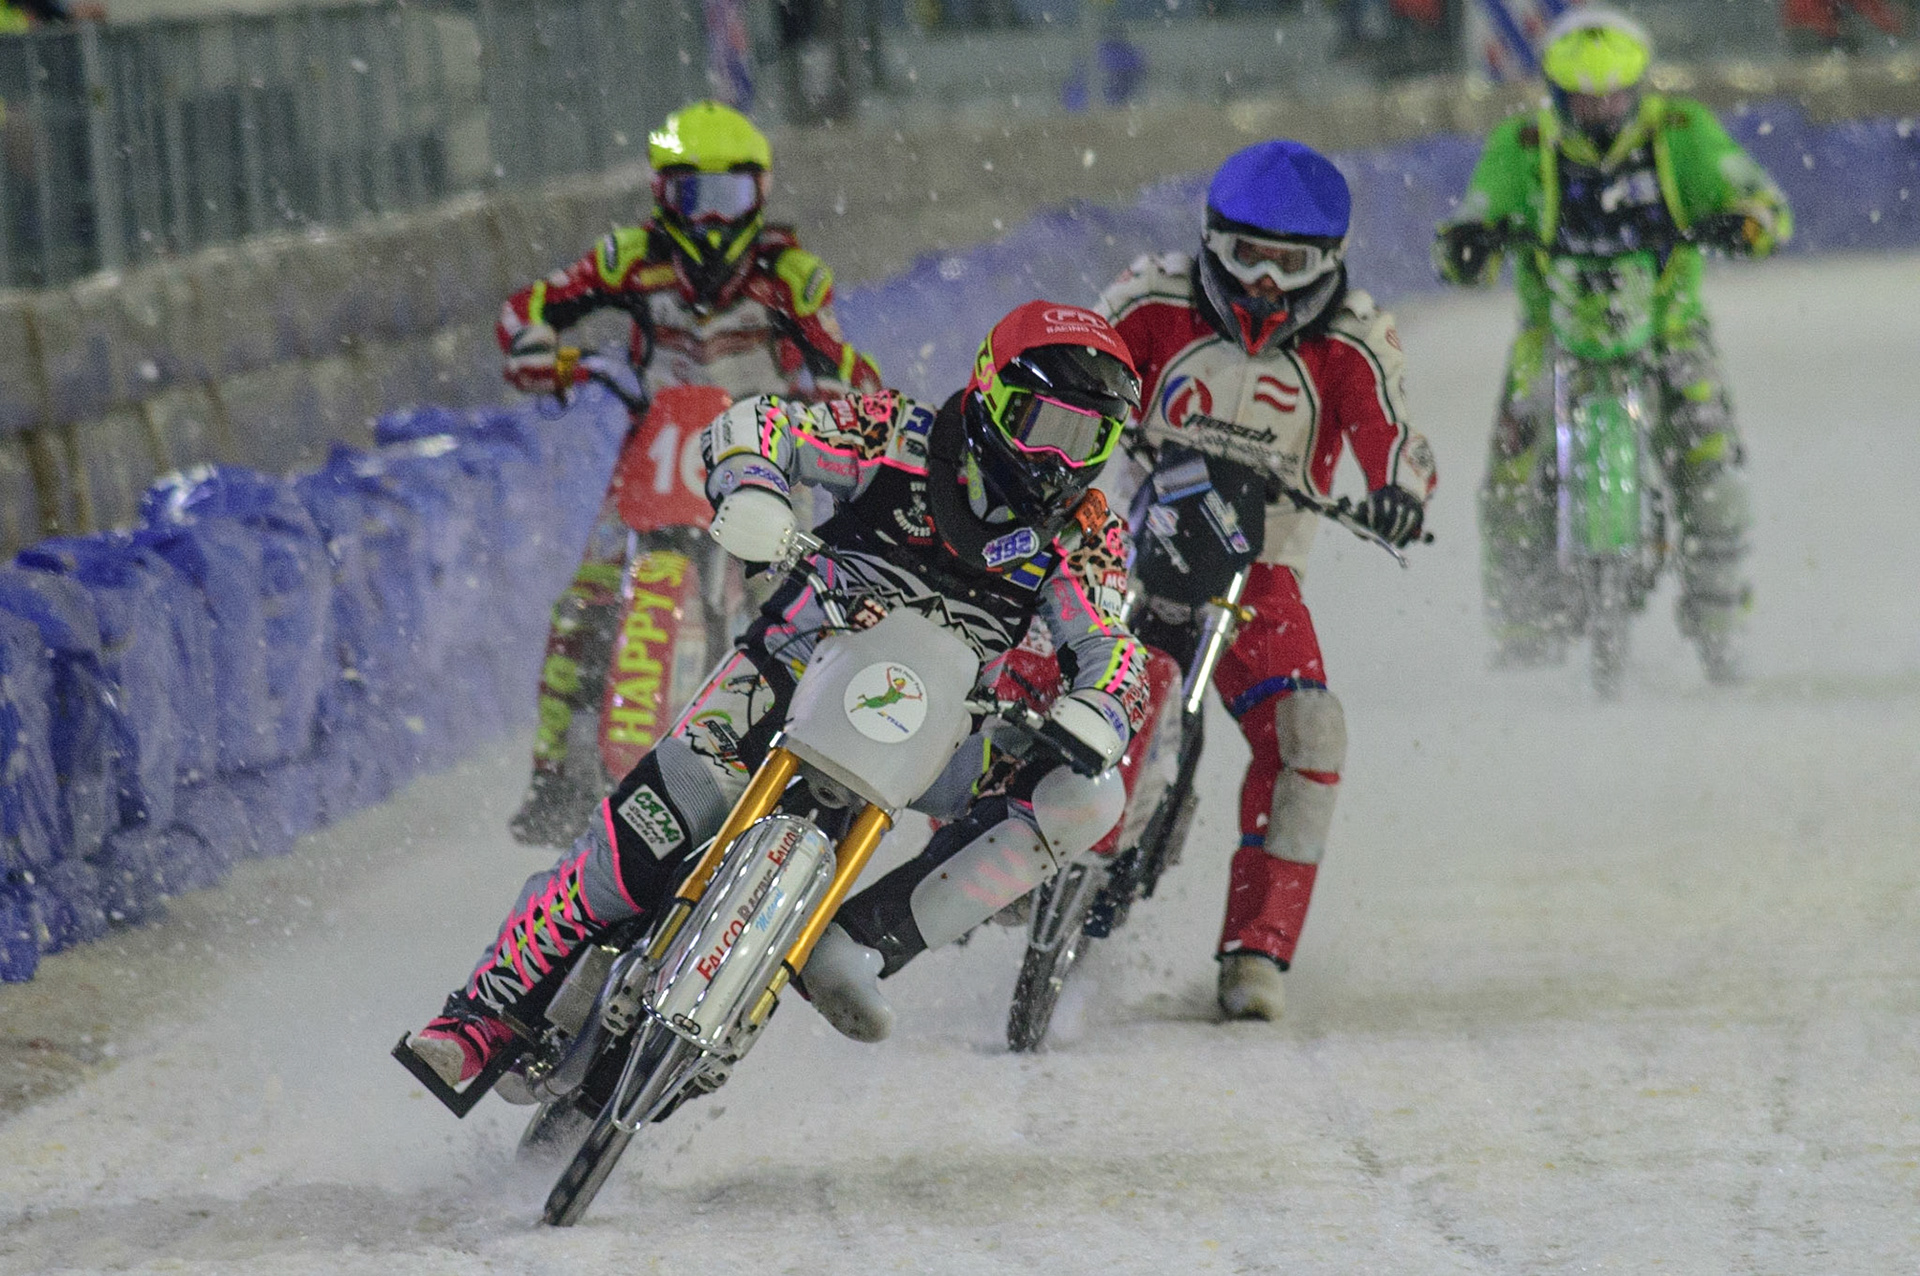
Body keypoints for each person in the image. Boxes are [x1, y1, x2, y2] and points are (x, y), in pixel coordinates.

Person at [406, 300, 1151, 1085]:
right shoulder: (897, 435)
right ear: (992, 392)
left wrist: (1100, 708)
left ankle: (859, 945)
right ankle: (484, 1010)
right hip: (788, 670)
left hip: (940, 731)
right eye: (1046, 425)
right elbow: (760, 424)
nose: (1060, 460)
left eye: (1088, 439)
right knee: (635, 843)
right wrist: (755, 490)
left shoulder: (1086, 534)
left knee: (1089, 796)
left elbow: (1113, 644)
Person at [1096, 138, 1437, 1023]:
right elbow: (1075, 370)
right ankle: (988, 849)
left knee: (1309, 733)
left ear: (1328, 263)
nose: (1262, 283)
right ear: (1212, 240)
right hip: (1126, 542)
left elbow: (1395, 435)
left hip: (1257, 574)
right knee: (1016, 656)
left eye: (1289, 264)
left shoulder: (1353, 337)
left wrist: (1398, 493)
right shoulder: (1150, 299)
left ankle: (1257, 952)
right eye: (1247, 255)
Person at [497, 99, 883, 846]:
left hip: (764, 461)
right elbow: (526, 309)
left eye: (726, 197)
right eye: (691, 195)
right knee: (582, 606)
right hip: (654, 456)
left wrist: (837, 393)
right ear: (661, 195)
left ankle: (800, 778)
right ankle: (553, 777)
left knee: (795, 614)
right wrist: (539, 348)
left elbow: (845, 364)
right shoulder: (627, 258)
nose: (709, 220)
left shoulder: (791, 277)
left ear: (758, 194)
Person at [1434, 7, 1791, 677]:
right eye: (1584, 98)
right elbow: (1473, 219)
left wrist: (1747, 223)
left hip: (1668, 327)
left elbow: (1758, 197)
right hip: (1552, 334)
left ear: (1639, 87)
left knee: (1714, 472)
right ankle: (1523, 632)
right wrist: (1468, 244)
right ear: (1556, 92)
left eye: (1614, 96)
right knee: (1512, 479)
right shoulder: (1521, 144)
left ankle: (1720, 627)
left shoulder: (1682, 132)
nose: (1600, 111)